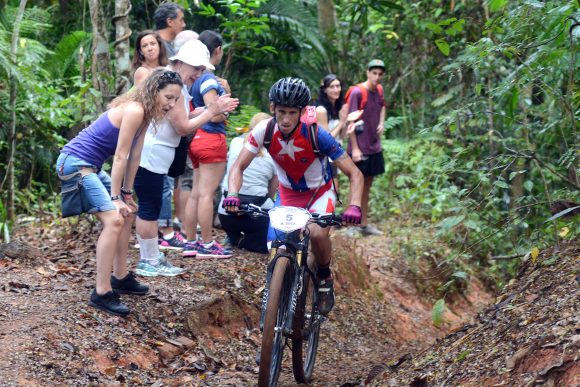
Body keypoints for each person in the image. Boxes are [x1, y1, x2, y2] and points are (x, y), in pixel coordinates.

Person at [224, 77, 364, 315]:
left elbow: (355, 173)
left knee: (317, 234)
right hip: (288, 195)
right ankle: (278, 292)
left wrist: (354, 206)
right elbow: (237, 167)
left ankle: (323, 277)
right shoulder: (263, 130)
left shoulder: (317, 134)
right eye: (281, 112)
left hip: (318, 193)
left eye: (292, 113)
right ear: (272, 109)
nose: (286, 119)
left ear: (301, 112)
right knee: (275, 246)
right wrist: (234, 194)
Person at [56, 68, 184, 316]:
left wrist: (126, 194)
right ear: (153, 91)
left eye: (176, 99)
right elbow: (121, 156)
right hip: (73, 163)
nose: (172, 104)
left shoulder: (146, 114)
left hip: (90, 166)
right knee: (114, 219)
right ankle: (101, 292)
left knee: (127, 213)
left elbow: (135, 157)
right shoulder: (135, 110)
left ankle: (120, 276)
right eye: (168, 97)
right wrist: (115, 198)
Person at [134, 39, 239, 277]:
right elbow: (182, 127)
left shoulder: (173, 83)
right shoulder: (174, 86)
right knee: (149, 208)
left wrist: (205, 111)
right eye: (196, 69)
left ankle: (151, 257)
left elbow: (181, 117)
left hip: (155, 156)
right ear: (180, 63)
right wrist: (211, 112)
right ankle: (148, 260)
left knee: (150, 207)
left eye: (202, 70)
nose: (199, 74)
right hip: (151, 154)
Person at [183, 30, 232, 258]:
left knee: (196, 193)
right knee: (206, 194)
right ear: (218, 51)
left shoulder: (194, 80)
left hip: (196, 139)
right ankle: (207, 244)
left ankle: (191, 241)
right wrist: (225, 113)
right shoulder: (209, 80)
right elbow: (214, 113)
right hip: (211, 138)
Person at [218, 113, 278, 253]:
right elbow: (271, 192)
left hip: (226, 213)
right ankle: (247, 241)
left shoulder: (235, 142)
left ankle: (234, 237)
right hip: (256, 217)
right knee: (270, 240)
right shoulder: (274, 153)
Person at [346, 59, 387, 236]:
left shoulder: (379, 90)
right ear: (367, 72)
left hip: (374, 146)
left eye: (380, 74)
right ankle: (350, 225)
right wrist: (354, 149)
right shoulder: (357, 92)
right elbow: (350, 121)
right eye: (374, 73)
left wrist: (382, 122)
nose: (377, 77)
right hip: (360, 147)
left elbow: (383, 106)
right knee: (356, 185)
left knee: (367, 186)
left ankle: (363, 224)